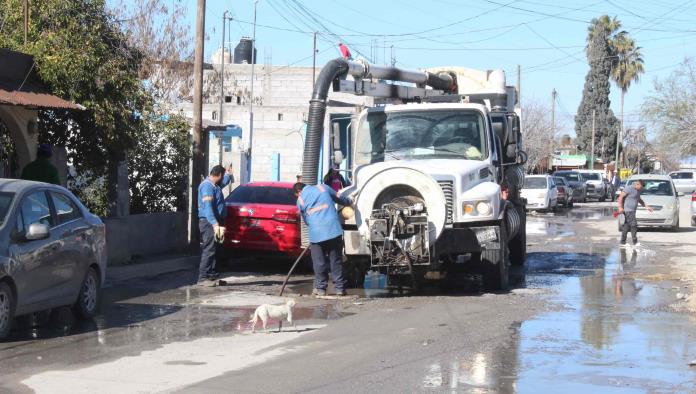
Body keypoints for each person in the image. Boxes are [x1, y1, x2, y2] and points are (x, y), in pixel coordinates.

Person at [294, 182, 352, 296]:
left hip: (316, 234)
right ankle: (339, 289)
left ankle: (321, 289)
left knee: (319, 262)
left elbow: (306, 221)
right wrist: (349, 201)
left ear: (299, 192)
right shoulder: (322, 187)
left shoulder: (300, 200)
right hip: (333, 230)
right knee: (336, 260)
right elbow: (340, 198)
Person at [198, 164, 234, 285]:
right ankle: (203, 277)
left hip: (217, 222)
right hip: (209, 223)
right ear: (218, 175)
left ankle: (212, 275)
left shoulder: (215, 185)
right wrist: (214, 224)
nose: (223, 179)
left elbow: (223, 183)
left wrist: (228, 174)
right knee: (209, 249)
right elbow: (208, 208)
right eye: (222, 176)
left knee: (217, 249)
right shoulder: (207, 187)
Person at [617, 179, 653, 247]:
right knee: (634, 225)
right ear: (637, 184)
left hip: (632, 211)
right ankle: (635, 242)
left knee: (626, 226)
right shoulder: (629, 188)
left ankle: (622, 242)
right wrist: (620, 207)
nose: (641, 189)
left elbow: (639, 199)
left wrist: (647, 206)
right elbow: (620, 197)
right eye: (641, 187)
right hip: (628, 210)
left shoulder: (638, 191)